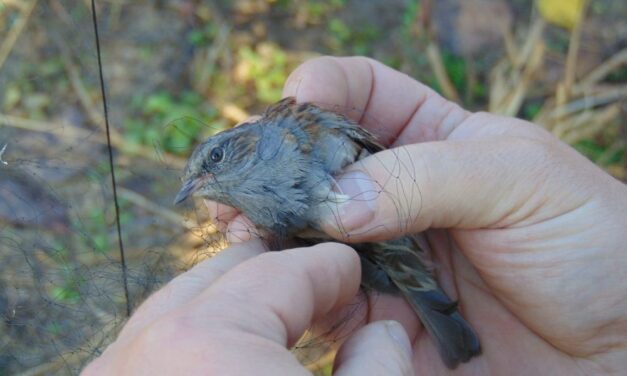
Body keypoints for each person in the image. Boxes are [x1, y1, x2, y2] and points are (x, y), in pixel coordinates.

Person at [83, 57, 627, 375]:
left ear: (246, 143)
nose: (201, 184)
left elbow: (361, 151)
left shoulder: (298, 127)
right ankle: (433, 308)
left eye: (213, 162)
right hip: (352, 255)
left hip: (398, 232)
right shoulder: (250, 203)